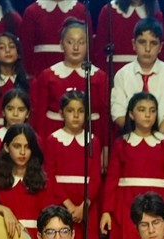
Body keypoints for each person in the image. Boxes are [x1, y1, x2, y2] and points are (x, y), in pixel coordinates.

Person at [99, 91, 164, 239]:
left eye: (152, 110)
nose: (148, 115)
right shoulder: (121, 143)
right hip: (125, 204)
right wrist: (107, 212)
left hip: (158, 204)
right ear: (131, 114)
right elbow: (112, 180)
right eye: (142, 110)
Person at [29, 19, 110, 150]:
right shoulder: (47, 75)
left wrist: (105, 146)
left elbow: (105, 115)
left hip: (90, 138)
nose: (76, 47)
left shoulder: (99, 77)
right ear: (61, 44)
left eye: (81, 42)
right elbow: (39, 115)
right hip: (53, 136)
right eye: (70, 42)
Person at [43, 90, 101, 239]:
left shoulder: (93, 140)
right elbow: (50, 176)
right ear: (61, 113)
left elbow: (96, 178)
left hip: (86, 204)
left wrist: (83, 206)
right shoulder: (53, 140)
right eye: (70, 111)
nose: (76, 116)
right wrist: (69, 206)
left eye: (81, 111)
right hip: (61, 201)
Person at [110, 18, 164, 137]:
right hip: (129, 141)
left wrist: (155, 139)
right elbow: (117, 111)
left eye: (154, 43)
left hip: (161, 142)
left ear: (161, 47)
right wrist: (136, 136)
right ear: (133, 44)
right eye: (142, 42)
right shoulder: (122, 75)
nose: (148, 49)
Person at [18, 0, 90, 76]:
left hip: (75, 70)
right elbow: (25, 49)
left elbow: (89, 48)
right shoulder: (32, 11)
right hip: (40, 70)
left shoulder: (82, 10)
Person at [96, 0, 163, 75]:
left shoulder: (155, 13)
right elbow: (99, 51)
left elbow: (159, 52)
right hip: (114, 72)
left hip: (146, 73)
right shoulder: (109, 10)